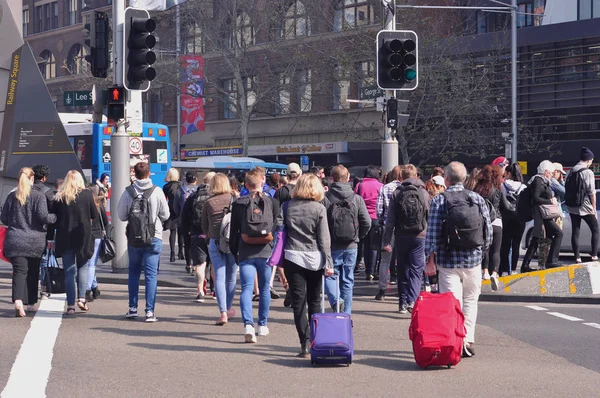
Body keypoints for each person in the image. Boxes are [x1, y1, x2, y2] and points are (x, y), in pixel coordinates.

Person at [425, 161, 493, 357]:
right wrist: (481, 252)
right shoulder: (476, 198)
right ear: (464, 179)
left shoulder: (440, 200)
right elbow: (487, 231)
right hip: (473, 259)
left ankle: (454, 341)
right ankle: (468, 340)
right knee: (471, 300)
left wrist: (430, 259)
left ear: (446, 179)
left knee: (452, 303)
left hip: (448, 261)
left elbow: (433, 234)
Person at [279, 174, 334, 358]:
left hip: (292, 256)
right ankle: (315, 340)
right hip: (314, 258)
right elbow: (324, 239)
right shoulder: (319, 208)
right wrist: (329, 262)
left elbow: (278, 231)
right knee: (315, 301)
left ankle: (304, 342)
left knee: (298, 303)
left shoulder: (286, 206)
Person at [229, 169, 280, 342]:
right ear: (262, 182)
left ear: (246, 184)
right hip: (266, 250)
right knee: (265, 288)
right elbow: (276, 227)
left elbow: (234, 230)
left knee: (247, 289)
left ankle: (248, 324)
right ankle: (263, 325)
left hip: (245, 250)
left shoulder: (239, 203)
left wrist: (235, 250)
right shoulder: (272, 202)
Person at [117, 162, 170, 322]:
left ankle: (133, 308)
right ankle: (149, 312)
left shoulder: (128, 192)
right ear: (149, 174)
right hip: (154, 236)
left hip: (134, 238)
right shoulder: (157, 191)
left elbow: (121, 215)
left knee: (133, 273)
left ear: (135, 175)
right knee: (151, 275)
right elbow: (166, 215)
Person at [1, 168, 56, 316]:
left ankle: (18, 300)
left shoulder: (12, 195)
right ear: (33, 179)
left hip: (15, 240)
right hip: (35, 240)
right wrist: (54, 217)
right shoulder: (38, 196)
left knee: (19, 272)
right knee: (33, 272)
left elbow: (4, 218)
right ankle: (31, 304)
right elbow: (43, 217)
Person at [382, 164, 430, 313]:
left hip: (401, 235)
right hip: (420, 235)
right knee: (416, 270)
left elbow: (390, 220)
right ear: (416, 176)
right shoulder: (423, 192)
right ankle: (412, 301)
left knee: (403, 268)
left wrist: (386, 241)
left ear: (401, 177)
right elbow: (428, 213)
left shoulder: (398, 192)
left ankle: (402, 302)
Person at [323, 165, 370, 313]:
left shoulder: (325, 199)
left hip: (332, 244)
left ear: (332, 178)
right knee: (348, 280)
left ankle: (337, 301)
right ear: (348, 178)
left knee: (330, 276)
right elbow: (367, 222)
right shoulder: (357, 198)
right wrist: (358, 236)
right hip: (351, 244)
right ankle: (346, 314)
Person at [54, 170, 98, 315]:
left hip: (65, 236)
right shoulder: (86, 195)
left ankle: (71, 305)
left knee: (69, 271)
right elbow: (94, 215)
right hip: (83, 235)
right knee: (83, 267)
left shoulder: (60, 196)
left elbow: (54, 217)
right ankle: (81, 298)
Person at [202, 173, 238, 325]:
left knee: (219, 276)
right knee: (231, 277)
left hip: (215, 242)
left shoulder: (208, 202)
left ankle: (222, 312)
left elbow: (204, 226)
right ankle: (229, 307)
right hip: (232, 242)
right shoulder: (234, 200)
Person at [521, 161, 564, 272]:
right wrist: (550, 201)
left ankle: (526, 265)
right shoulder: (538, 180)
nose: (551, 175)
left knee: (539, 238)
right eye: (550, 173)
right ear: (545, 172)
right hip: (541, 214)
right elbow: (536, 198)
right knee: (558, 233)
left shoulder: (541, 181)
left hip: (542, 214)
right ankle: (551, 261)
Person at [181, 172, 214, 302]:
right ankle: (215, 290)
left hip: (196, 233)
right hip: (212, 235)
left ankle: (200, 291)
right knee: (214, 264)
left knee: (200, 264)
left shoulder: (193, 197)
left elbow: (184, 217)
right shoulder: (215, 196)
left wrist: (186, 234)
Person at [473, 165, 506, 290]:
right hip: (496, 221)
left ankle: (485, 271)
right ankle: (494, 273)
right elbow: (505, 206)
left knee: (484, 248)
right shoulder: (498, 189)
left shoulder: (478, 189)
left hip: (482, 222)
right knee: (496, 250)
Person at [374, 165, 403, 300]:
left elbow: (379, 210)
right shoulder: (408, 188)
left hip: (388, 227)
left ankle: (382, 290)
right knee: (403, 259)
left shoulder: (385, 188)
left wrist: (382, 220)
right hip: (405, 228)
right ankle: (403, 288)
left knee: (385, 260)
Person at [566, 147, 599, 263]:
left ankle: (577, 257)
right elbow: (592, 192)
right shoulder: (588, 172)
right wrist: (594, 209)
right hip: (584, 205)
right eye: (591, 160)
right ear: (588, 160)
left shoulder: (570, 171)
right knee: (595, 229)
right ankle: (594, 255)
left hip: (572, 205)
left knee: (576, 230)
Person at [32, 164, 57, 299]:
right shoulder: (48, 193)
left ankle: (27, 291)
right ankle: (43, 289)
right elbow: (52, 216)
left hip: (25, 231)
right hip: (43, 232)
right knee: (43, 261)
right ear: (44, 178)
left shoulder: (25, 190)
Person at [355, 165, 383, 281]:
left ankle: (367, 270)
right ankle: (373, 271)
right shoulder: (381, 186)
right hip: (376, 218)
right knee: (375, 246)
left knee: (364, 245)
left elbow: (355, 200)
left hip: (362, 218)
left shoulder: (359, 185)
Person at [537, 163, 567, 268]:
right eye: (560, 173)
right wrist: (562, 181)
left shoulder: (548, 182)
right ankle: (550, 261)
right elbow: (565, 192)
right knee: (555, 235)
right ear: (556, 172)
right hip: (552, 213)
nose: (560, 176)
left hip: (551, 213)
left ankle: (545, 262)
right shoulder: (553, 182)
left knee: (548, 237)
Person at [499, 163, 526, 275]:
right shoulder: (523, 187)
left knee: (505, 244)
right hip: (519, 218)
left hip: (506, 218)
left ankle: (504, 269)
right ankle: (514, 269)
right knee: (516, 244)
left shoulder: (502, 186)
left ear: (509, 174)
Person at [85, 184, 109, 302]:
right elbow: (105, 222)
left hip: (86, 236)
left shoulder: (84, 204)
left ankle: (92, 288)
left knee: (89, 263)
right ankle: (89, 289)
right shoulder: (99, 206)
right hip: (97, 236)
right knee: (92, 264)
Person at [177, 171, 198, 274]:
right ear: (196, 180)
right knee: (196, 243)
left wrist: (181, 214)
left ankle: (188, 264)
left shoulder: (181, 191)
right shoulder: (199, 191)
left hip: (184, 220)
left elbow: (176, 206)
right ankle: (195, 264)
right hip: (197, 221)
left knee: (187, 243)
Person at [163, 168, 184, 263]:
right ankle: (181, 252)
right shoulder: (181, 185)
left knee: (172, 232)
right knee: (181, 232)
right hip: (180, 210)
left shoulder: (166, 187)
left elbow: (164, 200)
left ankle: (172, 254)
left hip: (171, 210)